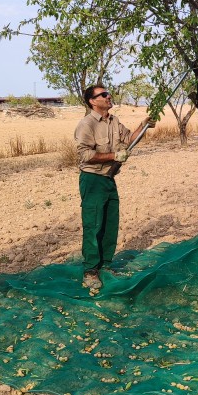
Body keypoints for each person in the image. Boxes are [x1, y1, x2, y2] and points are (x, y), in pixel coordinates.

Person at [74, 85, 133, 294]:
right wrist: (113, 156)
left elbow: (129, 140)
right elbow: (85, 155)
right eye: (103, 95)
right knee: (93, 225)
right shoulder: (87, 124)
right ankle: (90, 271)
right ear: (92, 101)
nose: (109, 97)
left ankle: (105, 266)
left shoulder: (114, 121)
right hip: (93, 179)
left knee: (110, 224)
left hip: (109, 179)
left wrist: (146, 124)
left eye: (108, 93)